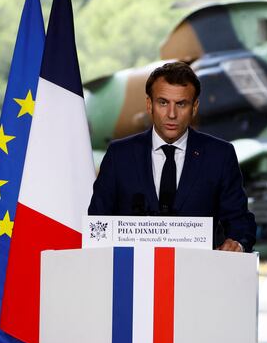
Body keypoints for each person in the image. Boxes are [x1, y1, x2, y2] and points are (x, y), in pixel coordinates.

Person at [88, 60, 255, 252]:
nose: (171, 114)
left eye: (181, 104)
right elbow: (98, 221)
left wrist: (237, 243)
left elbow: (240, 220)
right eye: (163, 103)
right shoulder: (119, 155)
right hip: (132, 275)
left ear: (194, 107)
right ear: (149, 105)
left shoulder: (220, 155)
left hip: (197, 273)